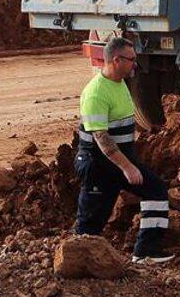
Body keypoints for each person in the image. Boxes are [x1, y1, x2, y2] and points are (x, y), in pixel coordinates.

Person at [73, 37, 173, 262]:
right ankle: (76, 262)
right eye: (131, 60)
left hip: (117, 162)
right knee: (91, 221)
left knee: (156, 190)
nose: (135, 64)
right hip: (97, 163)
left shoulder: (119, 84)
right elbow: (101, 138)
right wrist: (128, 168)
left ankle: (146, 253)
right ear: (116, 60)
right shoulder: (96, 93)